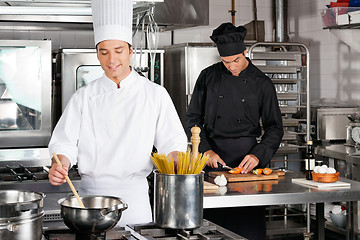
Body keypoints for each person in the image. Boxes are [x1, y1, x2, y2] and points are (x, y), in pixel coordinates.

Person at [48, 0, 187, 226]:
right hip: (89, 200)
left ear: (131, 51)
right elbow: (64, 145)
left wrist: (177, 160)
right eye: (104, 52)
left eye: (118, 51)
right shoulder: (83, 97)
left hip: (135, 200)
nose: (111, 60)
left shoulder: (155, 94)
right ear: (97, 55)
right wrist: (59, 164)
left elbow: (172, 143)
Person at [186, 23, 284, 240]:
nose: (231, 66)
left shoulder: (262, 83)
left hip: (248, 165)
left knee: (247, 227)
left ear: (245, 52)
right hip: (212, 161)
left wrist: (258, 155)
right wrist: (205, 151)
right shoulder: (207, 77)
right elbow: (193, 119)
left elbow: (275, 128)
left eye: (236, 60)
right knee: (213, 227)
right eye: (225, 62)